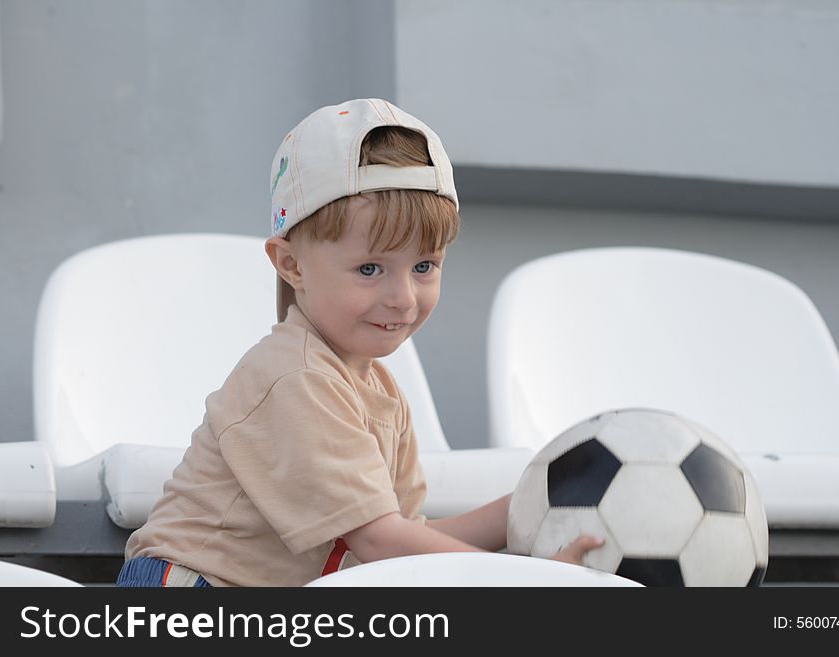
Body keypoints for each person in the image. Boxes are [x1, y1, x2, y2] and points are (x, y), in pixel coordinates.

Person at [116, 98, 602, 587]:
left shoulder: (383, 394)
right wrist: (525, 578)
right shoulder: (297, 376)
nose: (403, 298)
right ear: (292, 265)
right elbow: (380, 542)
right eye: (370, 269)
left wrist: (534, 499)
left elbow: (408, 540)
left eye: (424, 266)